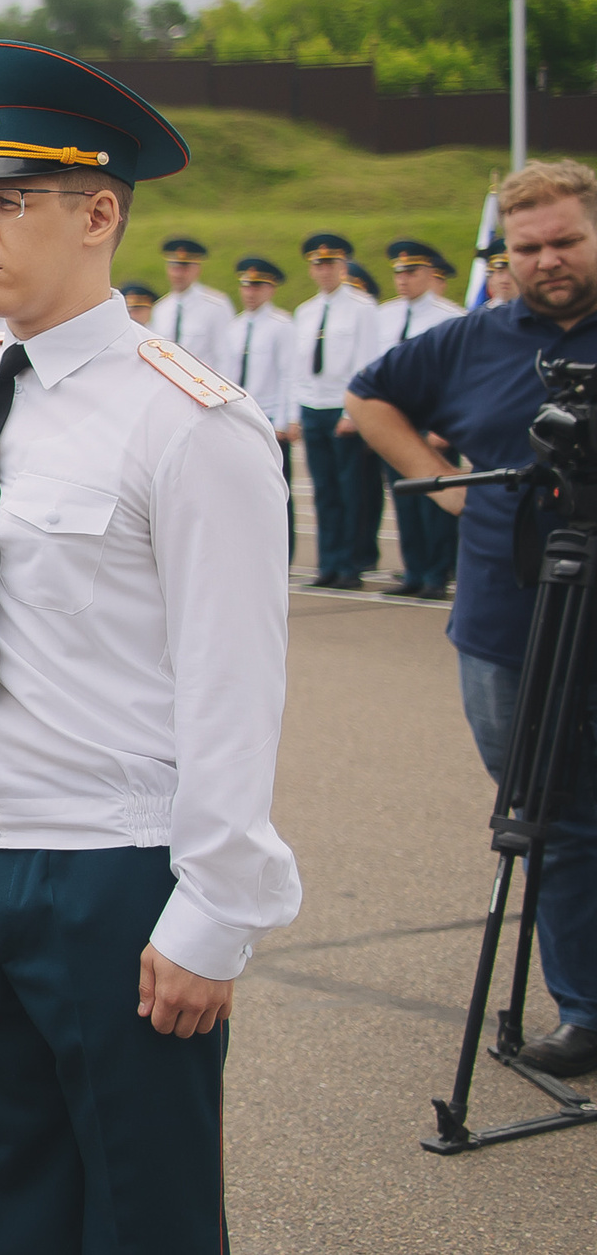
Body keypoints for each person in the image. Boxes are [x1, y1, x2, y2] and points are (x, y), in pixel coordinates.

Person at [0, 39, 299, 1254]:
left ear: (97, 214)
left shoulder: (186, 421)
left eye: (7, 204)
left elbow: (237, 686)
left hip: (109, 871)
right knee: (9, 1176)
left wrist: (214, 913)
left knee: (144, 1204)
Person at [346, 158, 597, 1078]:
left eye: (566, 239)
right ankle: (585, 1006)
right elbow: (369, 398)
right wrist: (440, 490)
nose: (548, 260)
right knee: (550, 814)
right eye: (527, 247)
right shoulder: (473, 340)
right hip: (504, 621)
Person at [376, 240, 466, 598]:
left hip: (433, 422)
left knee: (437, 501)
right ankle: (413, 571)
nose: (403, 280)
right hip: (396, 419)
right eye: (398, 273)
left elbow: (461, 376)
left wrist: (448, 427)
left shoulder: (451, 317)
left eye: (411, 272)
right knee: (406, 501)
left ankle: (436, 574)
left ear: (430, 274)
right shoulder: (384, 315)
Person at [294, 233, 380, 588]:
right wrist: (295, 411)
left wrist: (354, 412)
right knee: (324, 491)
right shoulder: (305, 311)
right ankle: (327, 563)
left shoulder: (362, 307)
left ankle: (349, 565)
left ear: (343, 266)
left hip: (342, 409)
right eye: (318, 264)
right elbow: (296, 367)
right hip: (313, 406)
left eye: (330, 264)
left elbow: (366, 361)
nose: (324, 271)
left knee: (351, 492)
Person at [229, 258, 299, 562]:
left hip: (271, 418)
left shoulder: (282, 326)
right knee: (241, 490)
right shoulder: (234, 327)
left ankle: (283, 555)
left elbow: (289, 374)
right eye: (246, 285)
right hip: (239, 419)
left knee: (277, 492)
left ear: (271, 289)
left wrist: (287, 419)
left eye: (257, 286)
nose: (250, 292)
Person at [157, 237, 234, 368]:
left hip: (204, 385)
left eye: (184, 268)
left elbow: (226, 356)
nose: (178, 274)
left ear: (197, 269)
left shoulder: (215, 306)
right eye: (174, 267)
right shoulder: (161, 309)